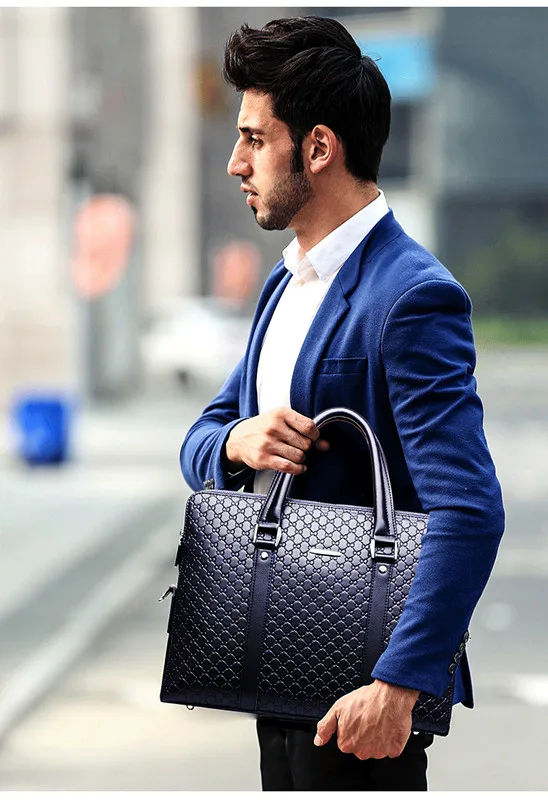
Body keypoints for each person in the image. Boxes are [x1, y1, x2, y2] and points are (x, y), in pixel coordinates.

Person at [180, 15, 505, 792]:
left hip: (360, 691)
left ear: (319, 148)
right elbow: (201, 437)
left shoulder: (412, 296)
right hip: (272, 665)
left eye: (255, 139)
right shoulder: (284, 282)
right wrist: (238, 441)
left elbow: (469, 509)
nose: (235, 163)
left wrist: (399, 684)